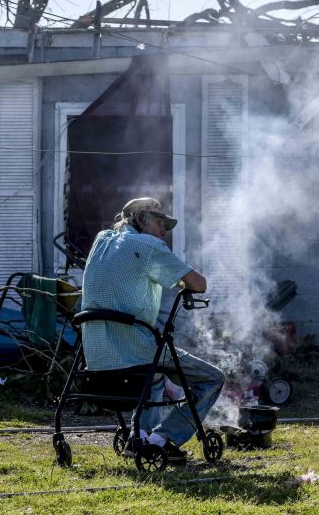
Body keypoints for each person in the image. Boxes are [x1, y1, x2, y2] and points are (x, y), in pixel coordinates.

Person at [79, 196, 225, 465]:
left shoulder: (101, 241)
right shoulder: (148, 245)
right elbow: (199, 284)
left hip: (98, 352)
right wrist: (183, 283)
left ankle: (142, 435)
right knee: (213, 378)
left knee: (155, 375)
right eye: (160, 222)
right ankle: (162, 439)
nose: (164, 230)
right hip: (137, 347)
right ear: (141, 218)